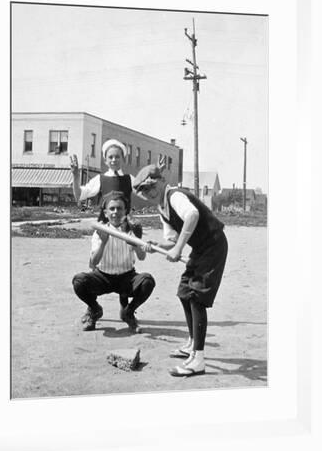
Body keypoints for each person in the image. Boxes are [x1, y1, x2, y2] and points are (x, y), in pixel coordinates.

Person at [133, 164, 228, 376]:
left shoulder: (174, 196)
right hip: (201, 248)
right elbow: (172, 240)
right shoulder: (161, 208)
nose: (149, 193)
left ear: (160, 182)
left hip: (213, 245)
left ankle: (198, 359)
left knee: (196, 296)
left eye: (151, 187)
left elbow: (192, 215)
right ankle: (192, 342)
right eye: (144, 191)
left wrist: (177, 249)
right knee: (185, 292)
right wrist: (152, 244)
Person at [70, 139, 143, 312]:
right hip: (105, 228)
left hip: (125, 227)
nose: (113, 160)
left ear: (122, 158)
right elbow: (80, 195)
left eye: (117, 157)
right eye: (110, 157)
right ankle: (92, 308)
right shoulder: (100, 179)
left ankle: (126, 309)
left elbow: (146, 192)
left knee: (124, 265)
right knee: (97, 265)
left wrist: (155, 175)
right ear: (105, 159)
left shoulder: (129, 179)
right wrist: (75, 175)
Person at [72, 190, 155, 333]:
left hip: (127, 277)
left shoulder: (131, 231)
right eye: (112, 209)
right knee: (79, 281)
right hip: (104, 276)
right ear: (105, 213)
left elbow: (141, 257)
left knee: (148, 281)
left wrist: (135, 243)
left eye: (119, 208)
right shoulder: (100, 231)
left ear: (125, 212)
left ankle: (128, 312)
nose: (115, 212)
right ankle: (95, 310)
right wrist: (103, 243)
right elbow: (93, 262)